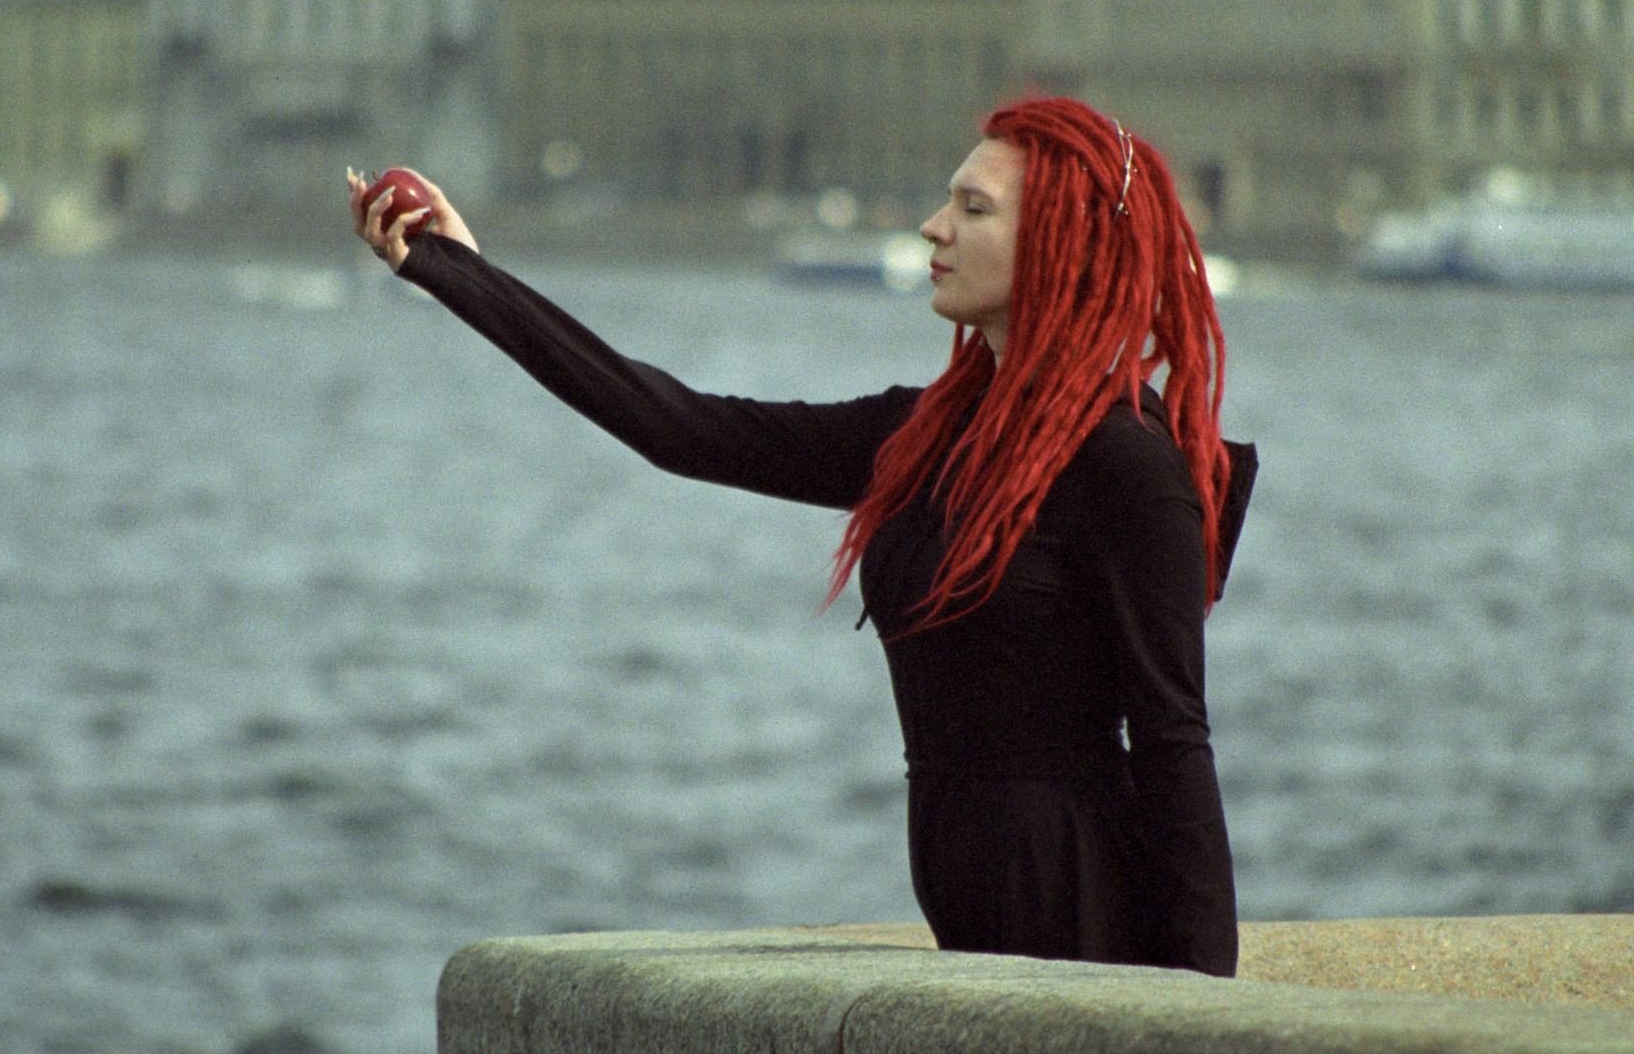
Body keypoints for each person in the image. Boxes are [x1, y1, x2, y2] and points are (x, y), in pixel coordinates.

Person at [347, 96, 1255, 975]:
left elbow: (1173, 738)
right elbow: (677, 427)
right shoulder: (928, 436)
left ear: (1062, 242)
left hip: (1084, 911)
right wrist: (460, 273)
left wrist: (1203, 1011)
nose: (934, 227)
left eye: (974, 209)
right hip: (971, 909)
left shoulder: (1126, 466)